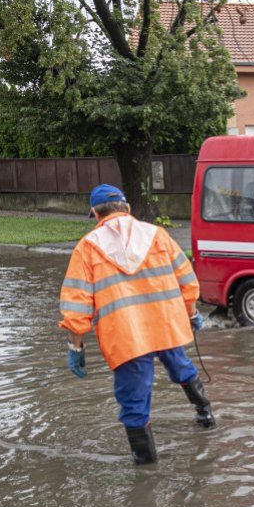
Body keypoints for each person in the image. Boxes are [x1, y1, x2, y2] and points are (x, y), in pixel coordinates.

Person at [59, 184, 215, 466]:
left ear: (95, 213)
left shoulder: (87, 248)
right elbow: (187, 281)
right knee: (181, 368)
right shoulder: (158, 235)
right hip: (167, 325)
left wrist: (76, 347)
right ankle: (206, 416)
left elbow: (77, 305)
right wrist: (191, 314)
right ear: (127, 207)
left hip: (127, 337)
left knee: (134, 401)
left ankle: (145, 473)